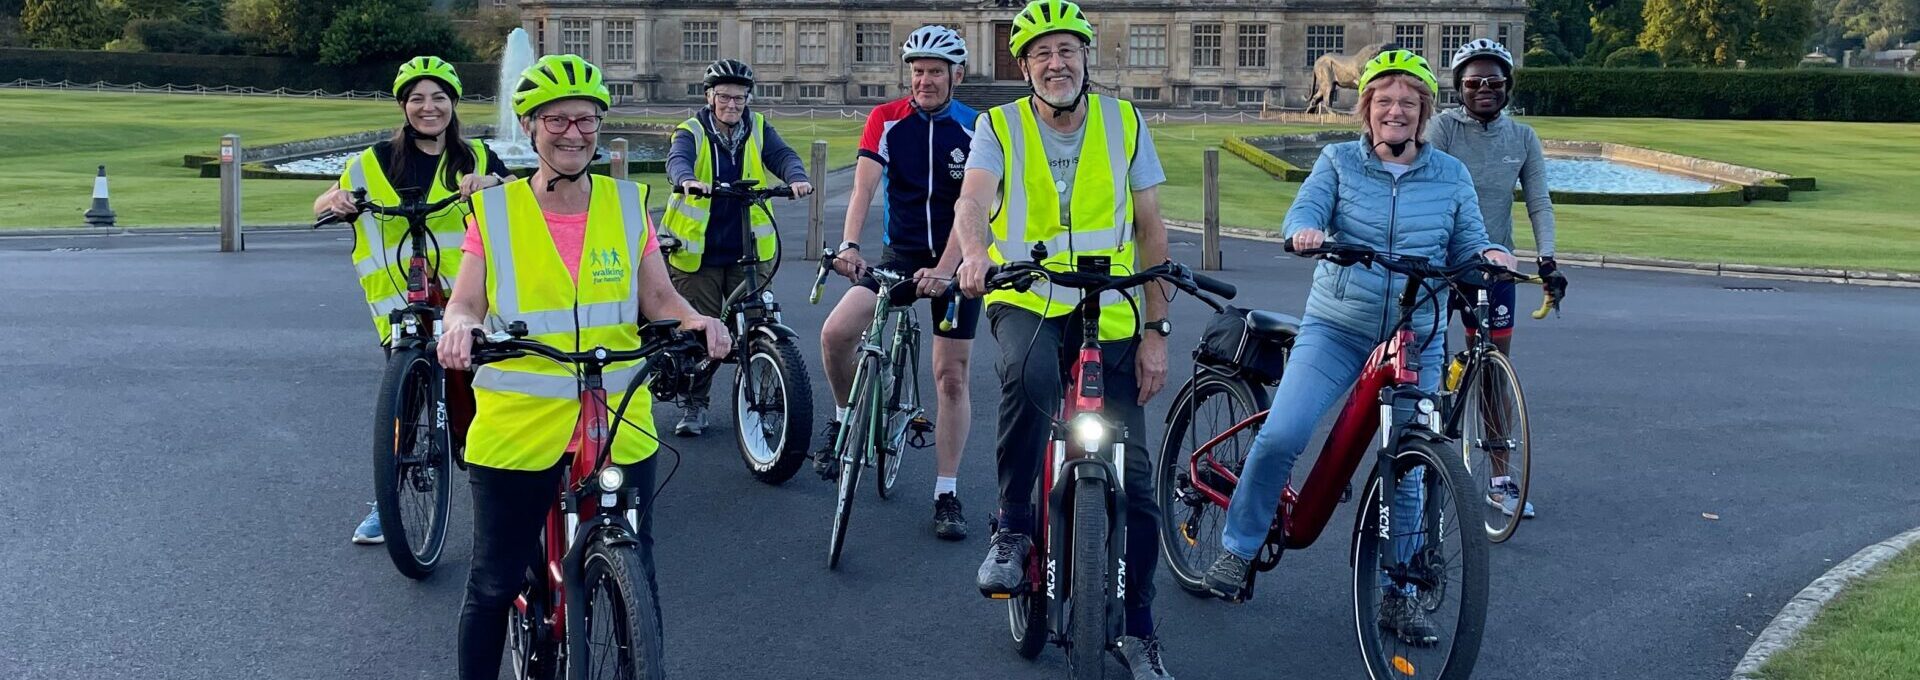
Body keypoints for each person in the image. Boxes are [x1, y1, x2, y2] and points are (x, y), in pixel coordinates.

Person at [1199, 50, 1515, 644]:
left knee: (1412, 466)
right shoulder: (1338, 161)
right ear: (1367, 110)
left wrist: (1491, 256)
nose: (1395, 111)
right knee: (1284, 434)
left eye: (1408, 103)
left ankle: (1400, 594)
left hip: (1416, 335)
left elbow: (1471, 238)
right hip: (1338, 327)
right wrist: (1305, 233)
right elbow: (1306, 209)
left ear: (1424, 114)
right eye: (1384, 102)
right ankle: (1238, 547)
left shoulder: (1450, 174)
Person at [432, 54, 731, 680]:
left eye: (586, 120)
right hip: (519, 421)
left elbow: (660, 299)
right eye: (557, 120)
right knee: (493, 582)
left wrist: (694, 321)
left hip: (617, 414)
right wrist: (459, 325)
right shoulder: (495, 212)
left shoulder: (628, 206)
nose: (573, 133)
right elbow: (465, 300)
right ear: (530, 126)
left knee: (635, 567)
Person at [951, 2, 1176, 676]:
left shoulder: (1124, 120)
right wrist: (972, 253)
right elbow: (972, 200)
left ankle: (1138, 628)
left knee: (1138, 492)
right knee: (1030, 377)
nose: (1057, 63)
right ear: (1024, 66)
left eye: (1068, 51)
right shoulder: (998, 125)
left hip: (1110, 312)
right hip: (1028, 296)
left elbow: (1152, 229)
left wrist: (1157, 330)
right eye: (1042, 53)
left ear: (1086, 58)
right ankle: (1015, 526)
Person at [313, 55, 514, 546]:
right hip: (403, 304)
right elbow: (323, 202)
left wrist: (494, 185)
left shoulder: (479, 158)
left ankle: (507, 482)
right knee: (405, 397)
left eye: (439, 98)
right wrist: (335, 201)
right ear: (404, 107)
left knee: (486, 393)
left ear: (454, 105)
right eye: (418, 99)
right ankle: (389, 498)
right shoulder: (373, 161)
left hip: (467, 302)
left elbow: (523, 196)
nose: (430, 108)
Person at [817, 25, 981, 540]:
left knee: (949, 376)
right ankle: (845, 418)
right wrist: (848, 246)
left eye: (935, 71)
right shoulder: (885, 119)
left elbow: (977, 206)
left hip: (955, 265)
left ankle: (946, 491)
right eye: (917, 71)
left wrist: (948, 267)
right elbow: (864, 189)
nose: (924, 80)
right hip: (900, 256)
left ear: (957, 74)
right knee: (835, 333)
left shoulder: (979, 127)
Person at [1427, 38, 1562, 519]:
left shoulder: (1523, 138)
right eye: (1473, 82)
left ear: (1507, 87)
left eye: (1494, 81)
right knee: (1424, 361)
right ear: (1458, 88)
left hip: (1497, 267)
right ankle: (1422, 462)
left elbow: (1539, 203)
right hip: (1441, 264)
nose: (1484, 88)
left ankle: (1501, 480)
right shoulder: (1442, 128)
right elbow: (1429, 185)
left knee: (1493, 373)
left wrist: (1547, 261)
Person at [661, 58, 815, 436]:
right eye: (725, 97)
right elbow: (676, 160)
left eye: (740, 98)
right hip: (699, 253)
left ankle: (767, 387)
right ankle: (695, 405)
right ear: (710, 96)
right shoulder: (691, 130)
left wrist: (796, 177)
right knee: (701, 332)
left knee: (760, 318)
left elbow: (783, 156)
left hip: (749, 250)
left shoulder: (758, 127)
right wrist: (687, 180)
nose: (732, 105)